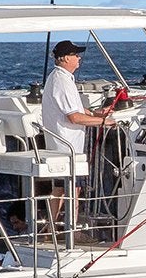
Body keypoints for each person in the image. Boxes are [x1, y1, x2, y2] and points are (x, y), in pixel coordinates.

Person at [37, 40, 111, 235]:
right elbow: (74, 117)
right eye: (75, 55)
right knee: (73, 189)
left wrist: (94, 114)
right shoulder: (62, 81)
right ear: (65, 58)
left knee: (60, 188)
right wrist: (104, 122)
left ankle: (51, 228)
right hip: (67, 146)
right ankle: (73, 231)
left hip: (60, 145)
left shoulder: (59, 78)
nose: (79, 58)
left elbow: (74, 108)